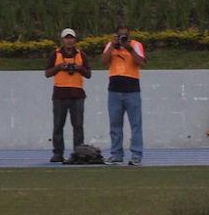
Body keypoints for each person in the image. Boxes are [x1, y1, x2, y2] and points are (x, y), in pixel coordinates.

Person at [45, 28, 92, 163]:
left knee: (78, 126)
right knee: (58, 125)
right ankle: (58, 153)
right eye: (67, 38)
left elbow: (88, 74)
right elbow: (47, 73)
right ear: (62, 40)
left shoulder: (81, 55)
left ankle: (78, 153)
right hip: (60, 94)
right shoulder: (55, 54)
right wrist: (59, 67)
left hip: (77, 95)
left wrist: (80, 68)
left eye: (71, 38)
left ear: (75, 40)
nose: (69, 40)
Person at [102, 25, 146, 166]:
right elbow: (103, 62)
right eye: (120, 35)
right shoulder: (111, 45)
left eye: (125, 35)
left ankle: (136, 155)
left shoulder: (136, 45)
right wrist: (112, 46)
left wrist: (129, 48)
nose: (122, 38)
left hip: (132, 90)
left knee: (136, 125)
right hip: (114, 91)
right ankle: (116, 155)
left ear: (129, 35)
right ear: (116, 35)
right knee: (115, 125)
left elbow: (141, 62)